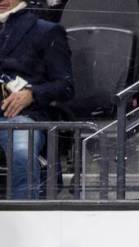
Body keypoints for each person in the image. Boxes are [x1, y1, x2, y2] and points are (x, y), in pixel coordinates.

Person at [0, 0, 73, 199]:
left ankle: (24, 216)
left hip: (23, 117)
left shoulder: (46, 31)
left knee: (22, 152)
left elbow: (65, 86)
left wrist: (31, 94)